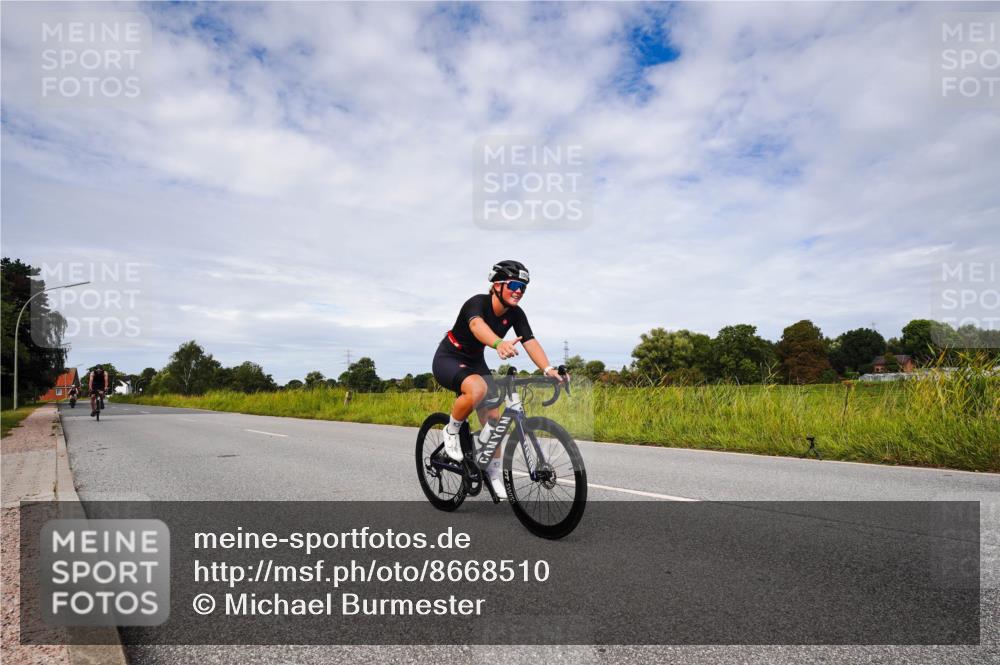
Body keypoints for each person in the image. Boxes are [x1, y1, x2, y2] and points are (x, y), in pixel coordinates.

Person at [431, 260, 565, 499]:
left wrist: (548, 369)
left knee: (494, 419)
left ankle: (492, 472)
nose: (519, 291)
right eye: (514, 284)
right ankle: (451, 430)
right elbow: (476, 326)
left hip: (474, 361)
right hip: (449, 357)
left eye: (523, 287)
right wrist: (498, 343)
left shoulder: (515, 314)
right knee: (478, 389)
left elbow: (530, 341)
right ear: (497, 285)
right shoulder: (477, 303)